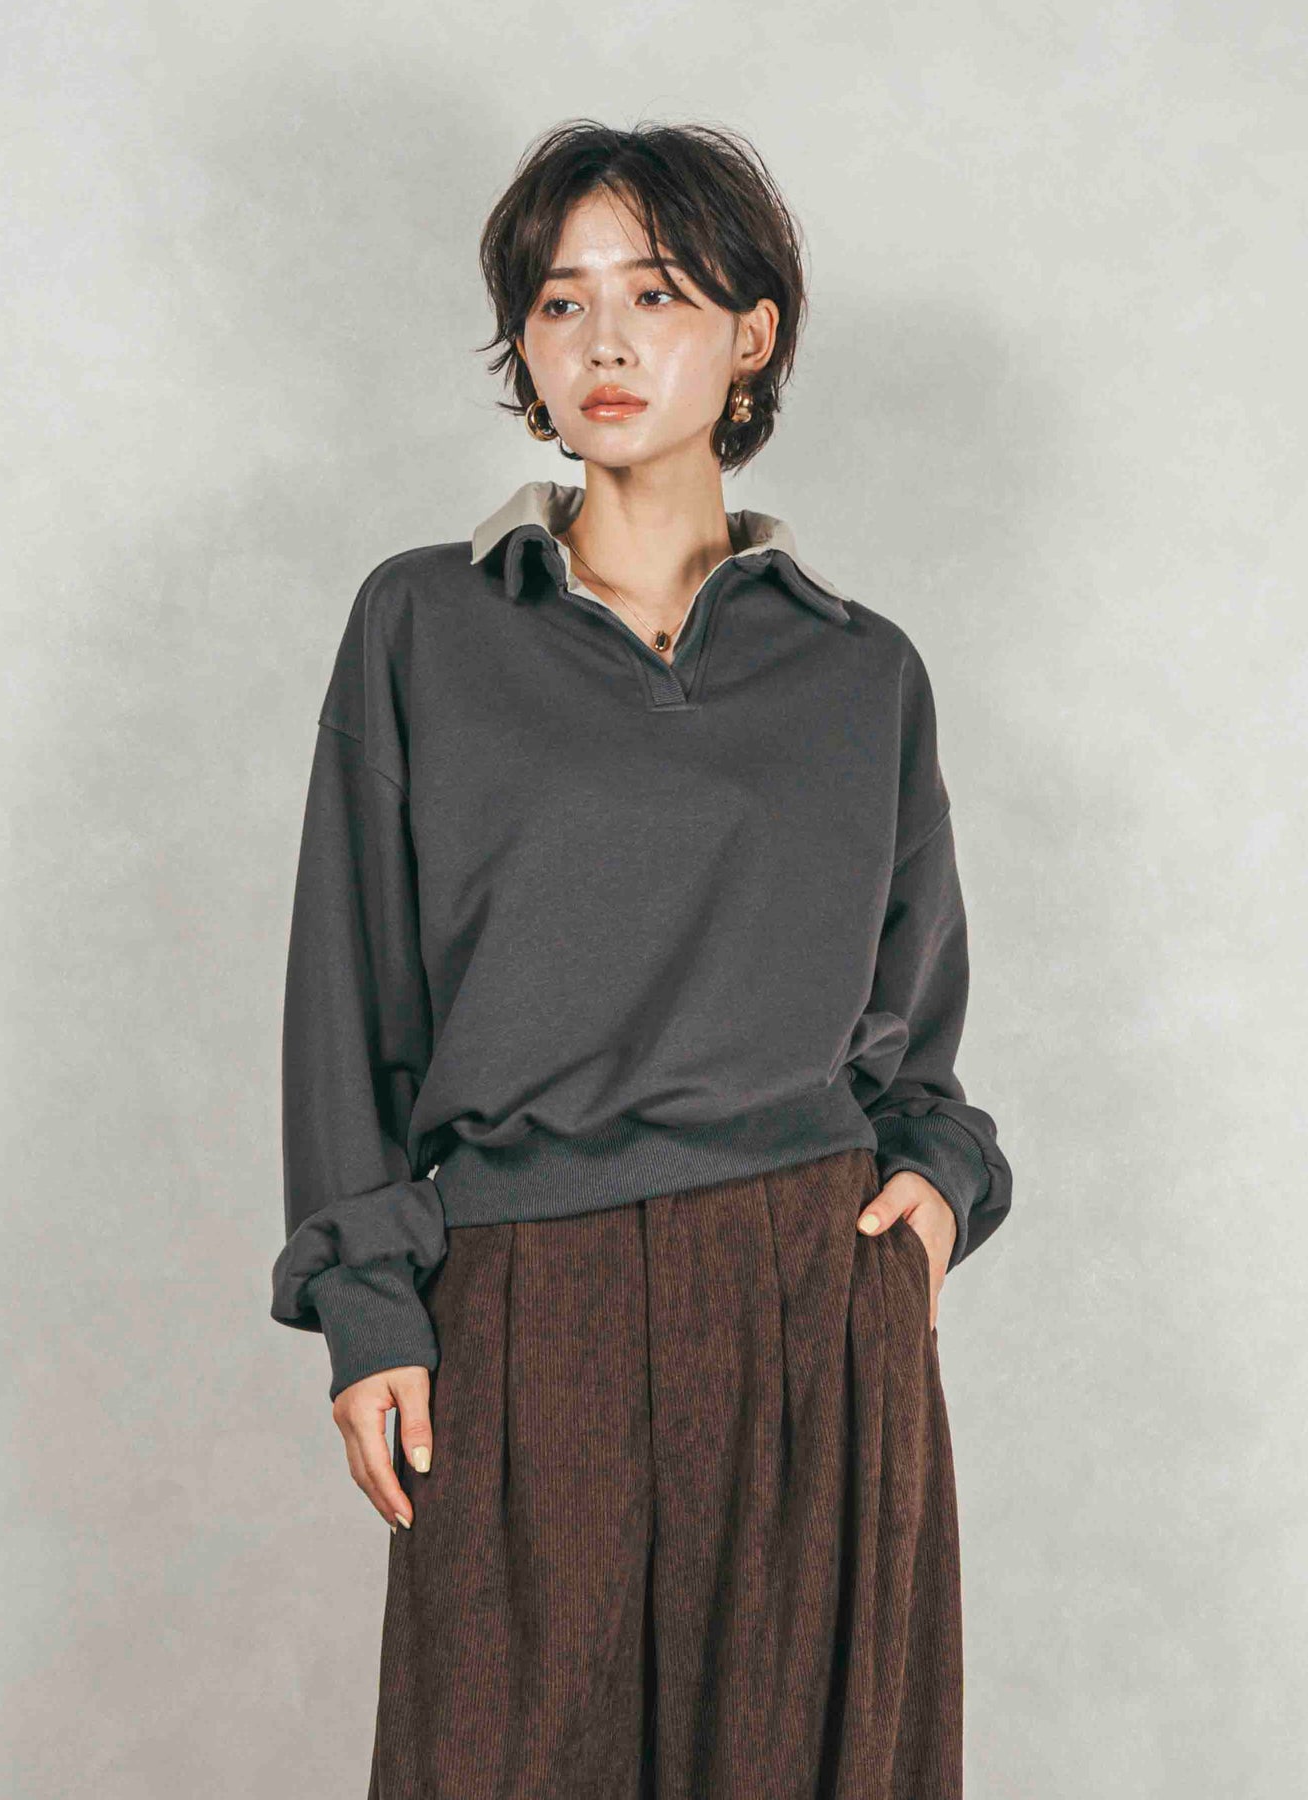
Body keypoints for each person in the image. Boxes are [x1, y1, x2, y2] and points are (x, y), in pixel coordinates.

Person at [270, 118, 1012, 1800]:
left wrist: (936, 1196)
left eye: (658, 293)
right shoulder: (424, 626)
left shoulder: (862, 673)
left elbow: (914, 1039)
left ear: (752, 334)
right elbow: (347, 996)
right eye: (560, 302)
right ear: (524, 350)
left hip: (809, 1302)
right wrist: (370, 1309)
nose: (603, 339)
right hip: (522, 1299)